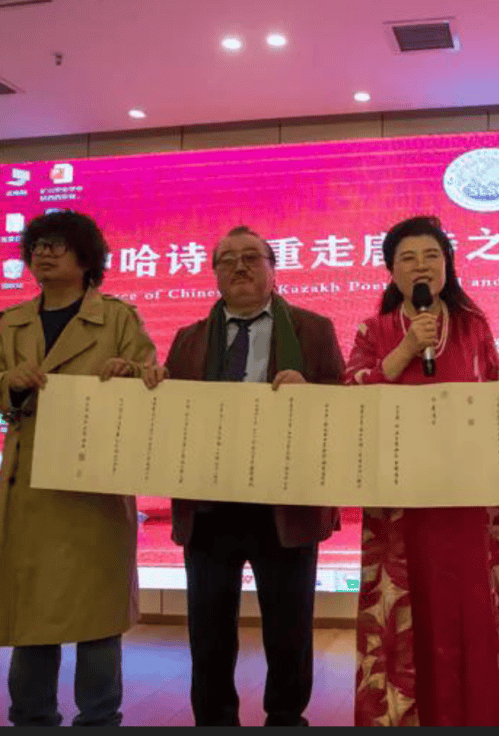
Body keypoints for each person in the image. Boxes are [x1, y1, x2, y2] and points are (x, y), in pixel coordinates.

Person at [0, 210, 158, 726]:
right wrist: (10, 382)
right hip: (31, 490)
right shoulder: (15, 322)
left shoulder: (118, 318)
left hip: (94, 491)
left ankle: (99, 720)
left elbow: (152, 377)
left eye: (57, 245)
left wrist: (129, 373)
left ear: (87, 258)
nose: (43, 253)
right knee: (32, 620)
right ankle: (31, 720)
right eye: (37, 245)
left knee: (97, 622)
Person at [159, 225, 344, 726]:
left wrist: (311, 392)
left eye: (250, 257)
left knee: (288, 629)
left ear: (273, 269)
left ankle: (286, 718)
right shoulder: (188, 339)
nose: (238, 267)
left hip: (284, 504)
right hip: (208, 505)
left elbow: (341, 404)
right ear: (215, 274)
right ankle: (214, 720)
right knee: (208, 631)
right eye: (227, 260)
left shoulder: (313, 329)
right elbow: (172, 415)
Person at [344, 215, 499, 726]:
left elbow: (498, 404)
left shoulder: (474, 327)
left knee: (469, 613)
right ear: (391, 272)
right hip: (400, 505)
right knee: (408, 616)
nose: (421, 266)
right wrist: (403, 351)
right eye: (408, 258)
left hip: (466, 503)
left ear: (447, 266)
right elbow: (350, 396)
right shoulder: (374, 331)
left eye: (431, 257)